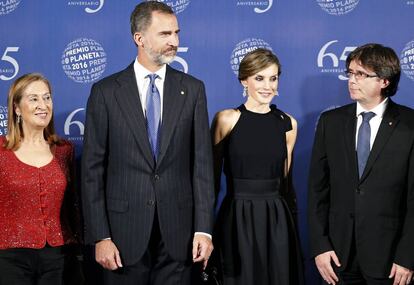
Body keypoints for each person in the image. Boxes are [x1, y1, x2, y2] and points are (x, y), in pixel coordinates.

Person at [81, 1, 215, 284]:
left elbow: (202, 166)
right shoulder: (106, 92)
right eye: (165, 34)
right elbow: (92, 171)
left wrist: (204, 229)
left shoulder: (192, 90)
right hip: (122, 236)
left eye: (176, 33)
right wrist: (101, 236)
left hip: (179, 236)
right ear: (139, 38)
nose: (175, 41)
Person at [308, 43, 414, 285]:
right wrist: (320, 246)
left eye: (362, 74)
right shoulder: (330, 122)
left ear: (384, 81)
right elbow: (317, 190)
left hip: (390, 261)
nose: (352, 80)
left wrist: (407, 256)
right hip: (338, 257)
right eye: (351, 73)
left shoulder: (410, 125)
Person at [211, 48, 304, 285]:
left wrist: (291, 231)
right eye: (259, 78)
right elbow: (208, 181)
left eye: (273, 78)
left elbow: (287, 184)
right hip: (236, 218)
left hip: (277, 220)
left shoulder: (288, 124)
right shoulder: (226, 119)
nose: (267, 86)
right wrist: (204, 229)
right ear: (244, 80)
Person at [0, 73, 79, 284]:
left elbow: (73, 206)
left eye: (47, 97)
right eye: (33, 98)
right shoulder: (1, 151)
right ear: (17, 108)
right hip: (9, 258)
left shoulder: (64, 150)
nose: (42, 105)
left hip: (59, 258)